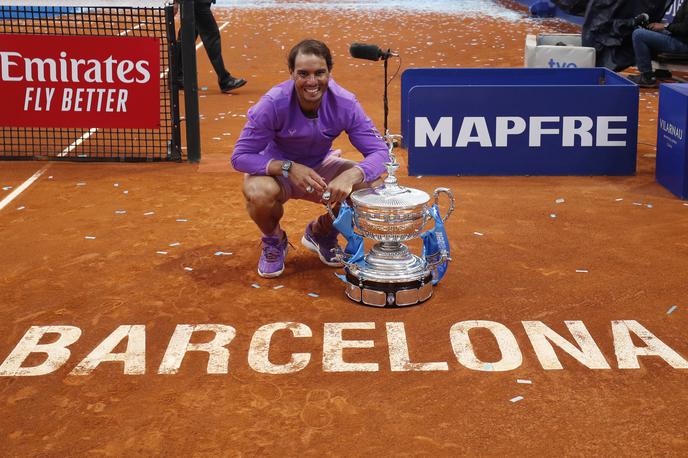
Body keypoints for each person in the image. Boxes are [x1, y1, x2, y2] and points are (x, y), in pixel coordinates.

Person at [230, 39, 389, 278]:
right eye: (303, 74)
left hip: (320, 168)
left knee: (372, 187)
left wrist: (350, 175)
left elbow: (380, 152)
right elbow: (240, 157)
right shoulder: (272, 104)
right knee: (258, 192)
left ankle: (322, 231)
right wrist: (287, 167)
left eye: (319, 73)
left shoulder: (345, 103)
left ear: (329, 73)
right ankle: (274, 240)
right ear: (292, 73)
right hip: (278, 171)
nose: (312, 82)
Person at [177, 0, 246, 93]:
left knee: (188, 35)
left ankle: (177, 76)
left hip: (194, 3)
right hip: (197, 3)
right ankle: (225, 80)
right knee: (211, 36)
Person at [629, 5, 688, 88]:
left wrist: (665, 26)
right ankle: (662, 72)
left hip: (683, 43)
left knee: (638, 34)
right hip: (678, 37)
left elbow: (685, 29)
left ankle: (647, 77)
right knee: (648, 30)